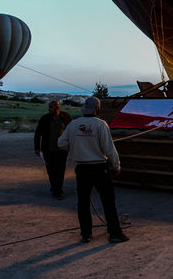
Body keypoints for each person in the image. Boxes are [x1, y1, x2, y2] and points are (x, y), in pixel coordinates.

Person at [58, 96, 129, 244]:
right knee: (108, 201)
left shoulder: (73, 124)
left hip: (82, 168)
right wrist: (116, 166)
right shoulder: (100, 124)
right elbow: (109, 149)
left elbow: (61, 143)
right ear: (97, 108)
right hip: (99, 167)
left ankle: (86, 234)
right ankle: (114, 233)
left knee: (83, 202)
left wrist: (76, 149)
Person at [34, 100, 72, 200]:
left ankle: (57, 191)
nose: (49, 108)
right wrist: (37, 147)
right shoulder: (45, 118)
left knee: (60, 170)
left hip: (62, 150)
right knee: (51, 171)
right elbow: (38, 134)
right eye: (49, 107)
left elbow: (71, 131)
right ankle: (55, 188)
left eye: (51, 107)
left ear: (57, 107)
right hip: (48, 149)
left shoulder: (65, 117)